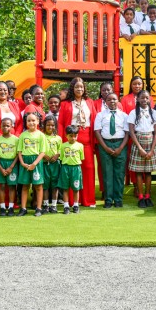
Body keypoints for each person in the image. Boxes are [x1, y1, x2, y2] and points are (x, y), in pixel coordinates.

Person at [57, 77, 97, 208]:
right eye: (76, 87)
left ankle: (88, 200)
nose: (79, 89)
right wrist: (63, 142)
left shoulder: (90, 102)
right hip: (71, 139)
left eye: (81, 87)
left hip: (87, 140)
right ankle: (73, 202)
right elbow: (61, 123)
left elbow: (95, 121)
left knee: (88, 169)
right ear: (72, 89)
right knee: (71, 170)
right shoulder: (65, 104)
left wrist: (95, 141)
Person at [94, 92, 129, 209]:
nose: (112, 101)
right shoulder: (100, 115)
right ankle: (108, 200)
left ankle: (118, 199)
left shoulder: (124, 116)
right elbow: (97, 132)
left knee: (119, 174)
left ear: (118, 100)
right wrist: (105, 147)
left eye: (114, 99)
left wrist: (120, 148)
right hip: (105, 144)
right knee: (107, 173)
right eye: (109, 100)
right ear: (105, 102)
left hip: (120, 144)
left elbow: (127, 133)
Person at [128, 90, 156, 208]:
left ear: (149, 99)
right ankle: (140, 197)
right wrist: (140, 148)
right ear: (138, 99)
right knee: (139, 172)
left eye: (147, 98)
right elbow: (131, 131)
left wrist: (152, 149)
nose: (144, 100)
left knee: (148, 172)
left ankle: (148, 196)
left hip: (150, 141)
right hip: (138, 141)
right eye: (142, 98)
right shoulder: (133, 113)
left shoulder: (154, 113)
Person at [16, 112, 47, 216]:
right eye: (29, 120)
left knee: (38, 186)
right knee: (25, 186)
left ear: (38, 121)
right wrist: (22, 163)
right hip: (25, 162)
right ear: (26, 122)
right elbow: (19, 151)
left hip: (36, 162)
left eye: (33, 120)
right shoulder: (22, 135)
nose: (31, 122)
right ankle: (23, 208)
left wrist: (34, 163)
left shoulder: (41, 135)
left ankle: (39, 208)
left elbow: (42, 152)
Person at [0, 117, 19, 216]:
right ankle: (3, 207)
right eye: (3, 125)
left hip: (12, 164)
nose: (5, 127)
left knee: (12, 186)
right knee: (2, 186)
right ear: (0, 126)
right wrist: (0, 168)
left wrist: (11, 167)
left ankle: (11, 207)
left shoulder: (16, 139)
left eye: (8, 125)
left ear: (12, 126)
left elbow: (18, 154)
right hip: (1, 163)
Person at [58, 125, 84, 214]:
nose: (73, 138)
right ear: (66, 136)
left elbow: (81, 157)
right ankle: (66, 206)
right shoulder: (63, 146)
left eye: (75, 136)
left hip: (76, 168)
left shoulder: (80, 146)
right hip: (65, 167)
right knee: (65, 188)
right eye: (71, 136)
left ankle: (76, 205)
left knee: (76, 188)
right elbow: (61, 158)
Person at [41, 115, 63, 213]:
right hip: (44, 164)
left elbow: (60, 150)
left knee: (55, 185)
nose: (50, 127)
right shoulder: (41, 136)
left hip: (55, 164)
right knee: (45, 185)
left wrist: (57, 155)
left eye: (52, 125)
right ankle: (45, 205)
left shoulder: (58, 138)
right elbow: (38, 149)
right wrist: (44, 155)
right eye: (48, 125)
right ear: (44, 125)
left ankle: (53, 205)